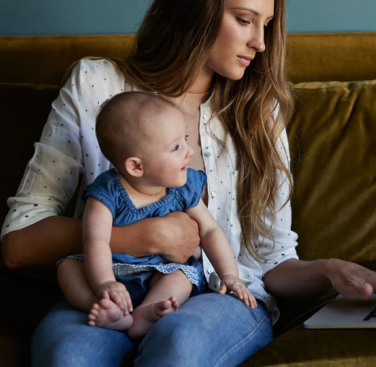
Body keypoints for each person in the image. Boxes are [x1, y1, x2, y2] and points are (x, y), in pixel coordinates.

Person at [1, 0, 376, 366]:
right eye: (245, 20)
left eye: (266, 24)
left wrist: (329, 270)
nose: (261, 43)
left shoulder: (258, 112)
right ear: (196, 9)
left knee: (181, 346)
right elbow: (19, 243)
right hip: (108, 287)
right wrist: (142, 238)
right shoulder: (96, 86)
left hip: (223, 295)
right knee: (70, 355)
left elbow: (270, 261)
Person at [57, 92, 257, 341]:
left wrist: (230, 275)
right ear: (136, 167)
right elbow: (95, 240)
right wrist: (105, 284)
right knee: (67, 268)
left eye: (185, 139)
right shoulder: (106, 194)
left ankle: (145, 313)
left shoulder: (182, 187)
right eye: (175, 147)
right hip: (108, 271)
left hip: (161, 271)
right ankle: (106, 309)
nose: (188, 151)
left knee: (182, 277)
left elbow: (209, 231)